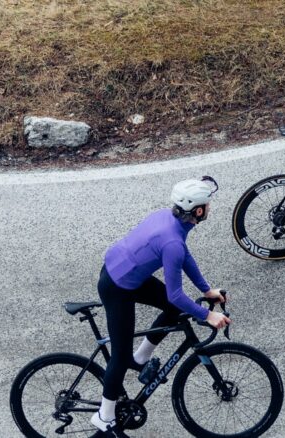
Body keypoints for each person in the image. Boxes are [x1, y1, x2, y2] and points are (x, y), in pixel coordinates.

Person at [91, 177, 231, 437]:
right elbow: (176, 294)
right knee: (119, 357)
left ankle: (140, 358)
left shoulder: (169, 221)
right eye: (208, 204)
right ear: (198, 211)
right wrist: (207, 314)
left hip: (128, 274)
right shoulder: (172, 242)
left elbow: (184, 256)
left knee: (174, 310)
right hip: (117, 287)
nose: (210, 207)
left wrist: (206, 290)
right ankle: (104, 417)